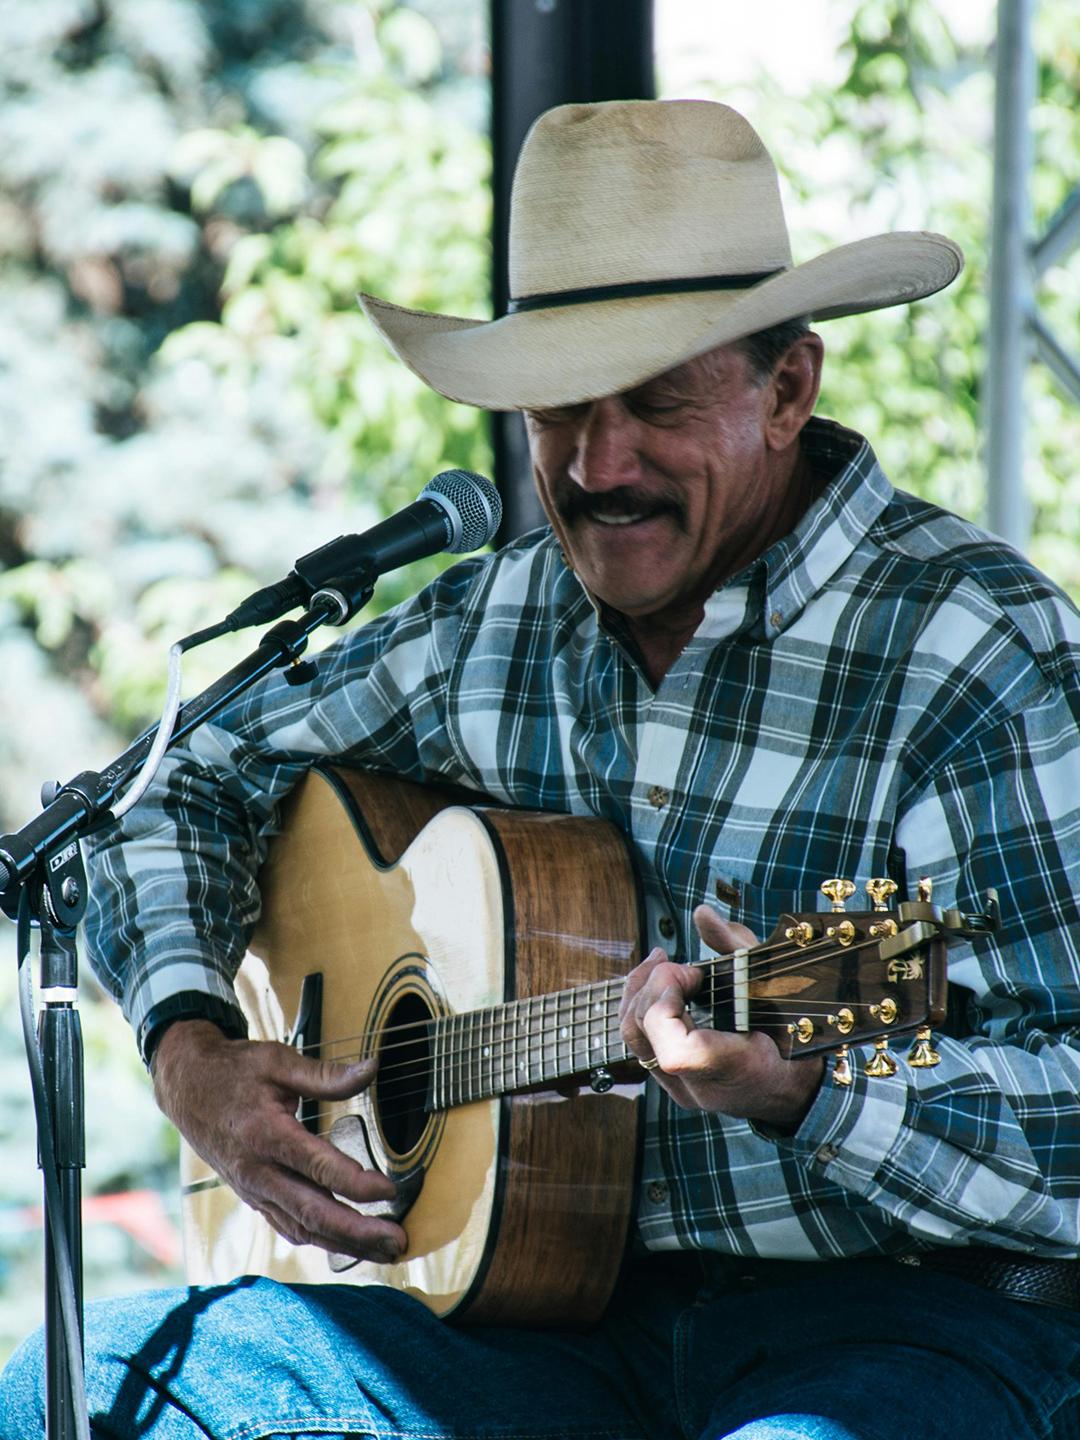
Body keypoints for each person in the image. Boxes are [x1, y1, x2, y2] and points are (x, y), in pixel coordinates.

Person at [2, 98, 1079, 1440]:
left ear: (788, 388)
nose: (596, 463)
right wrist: (191, 1047)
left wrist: (808, 1092)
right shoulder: (495, 621)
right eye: (558, 409)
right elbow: (172, 784)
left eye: (659, 404)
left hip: (901, 1322)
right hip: (535, 1327)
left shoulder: (972, 646)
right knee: (89, 1387)